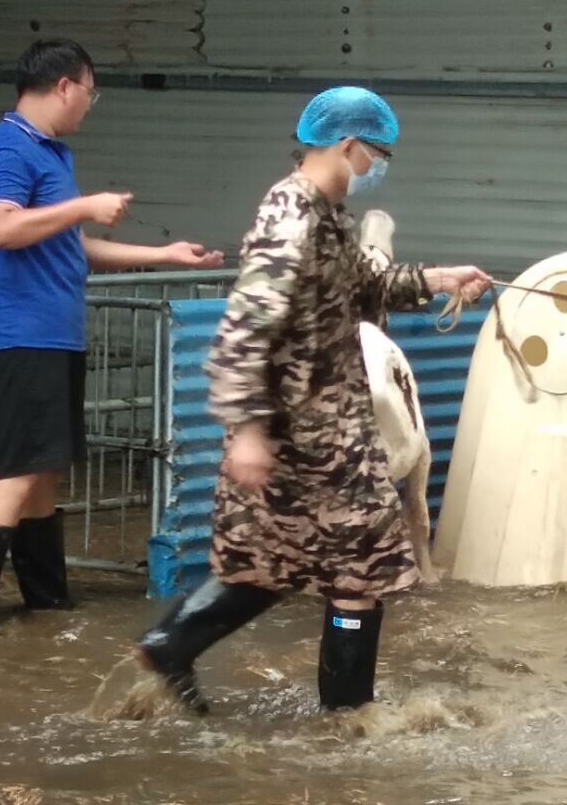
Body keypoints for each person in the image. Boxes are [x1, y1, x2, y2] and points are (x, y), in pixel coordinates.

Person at [131, 86, 491, 715]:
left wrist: (438, 279)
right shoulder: (291, 217)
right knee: (363, 560)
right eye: (379, 153)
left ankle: (172, 644)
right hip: (307, 435)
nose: (379, 166)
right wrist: (247, 429)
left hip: (319, 427)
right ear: (348, 145)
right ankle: (350, 720)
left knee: (275, 559)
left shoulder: (326, 215)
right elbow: (245, 327)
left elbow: (362, 285)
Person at [0, 38, 225, 635]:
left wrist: (165, 255)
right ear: (66, 86)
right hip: (17, 334)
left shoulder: (51, 153)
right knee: (19, 471)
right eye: (90, 94)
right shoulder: (9, 147)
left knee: (44, 470)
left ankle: (46, 602)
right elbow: (2, 228)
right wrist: (84, 206)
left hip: (50, 335)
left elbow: (69, 246)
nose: (87, 107)